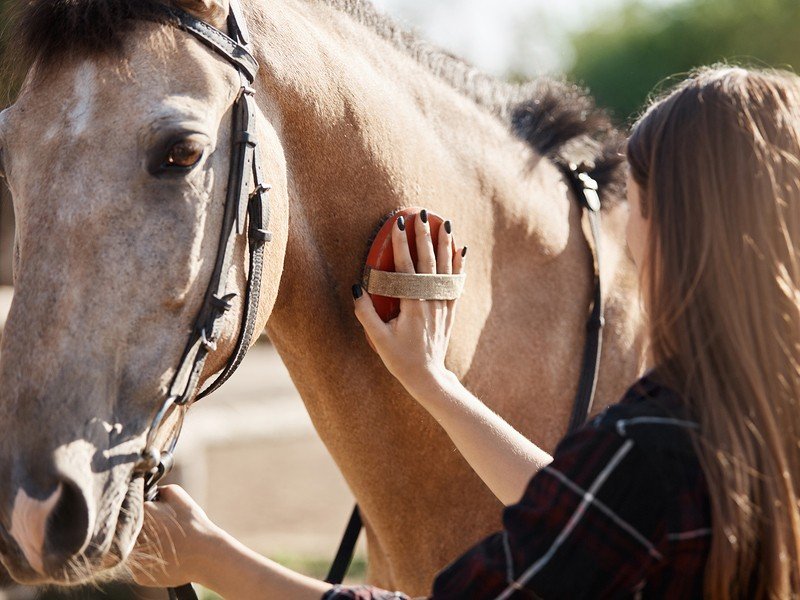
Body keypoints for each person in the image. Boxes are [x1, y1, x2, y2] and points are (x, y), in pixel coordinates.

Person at [131, 66, 800, 598]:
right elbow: (588, 509)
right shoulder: (752, 421)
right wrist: (434, 384)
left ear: (679, 235)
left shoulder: (647, 447)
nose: (627, 237)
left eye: (639, 211)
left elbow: (607, 502)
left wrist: (213, 559)